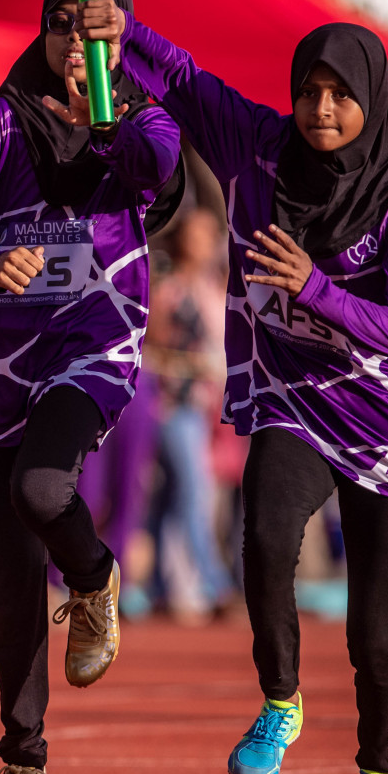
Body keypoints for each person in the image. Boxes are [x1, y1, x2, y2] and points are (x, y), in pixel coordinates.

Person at [95, 1, 388, 774]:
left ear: (371, 102)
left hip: (383, 427)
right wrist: (121, 28)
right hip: (294, 401)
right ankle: (281, 702)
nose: (321, 110)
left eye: (339, 97)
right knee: (266, 529)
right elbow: (183, 80)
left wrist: (316, 287)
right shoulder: (260, 143)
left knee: (372, 636)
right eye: (309, 92)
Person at [0, 0, 182, 774]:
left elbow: (162, 166)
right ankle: (21, 762)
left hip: (93, 339)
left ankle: (97, 575)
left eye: (94, 28)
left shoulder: (136, 118)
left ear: (120, 37)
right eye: (61, 26)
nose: (75, 41)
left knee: (44, 491)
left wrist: (107, 108)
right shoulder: (1, 122)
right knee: (9, 576)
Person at [146, 208, 233, 621]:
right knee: (193, 492)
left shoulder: (211, 286)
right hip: (174, 407)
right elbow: (152, 346)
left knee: (170, 497)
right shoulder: (170, 290)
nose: (208, 242)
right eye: (200, 235)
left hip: (203, 406)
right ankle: (216, 585)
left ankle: (158, 588)